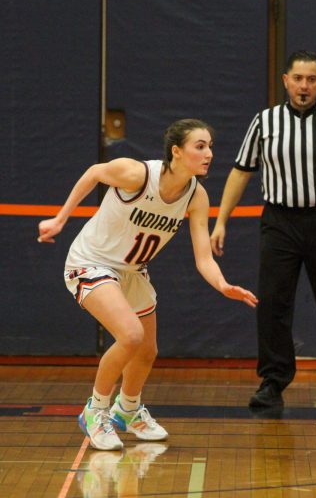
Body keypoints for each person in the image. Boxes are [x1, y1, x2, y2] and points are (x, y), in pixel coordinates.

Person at [38, 119, 257, 451]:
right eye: (200, 146)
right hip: (91, 262)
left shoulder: (196, 196)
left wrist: (222, 284)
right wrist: (60, 218)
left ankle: (127, 410)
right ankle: (95, 410)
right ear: (176, 152)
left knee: (147, 351)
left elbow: (203, 258)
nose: (209, 153)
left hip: (132, 271)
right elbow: (94, 172)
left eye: (210, 146)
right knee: (130, 335)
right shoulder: (138, 174)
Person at [211, 50, 316, 408]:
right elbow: (241, 171)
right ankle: (273, 381)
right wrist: (221, 219)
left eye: (311, 79)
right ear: (286, 81)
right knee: (272, 302)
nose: (304, 85)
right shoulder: (264, 122)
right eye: (298, 78)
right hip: (280, 222)